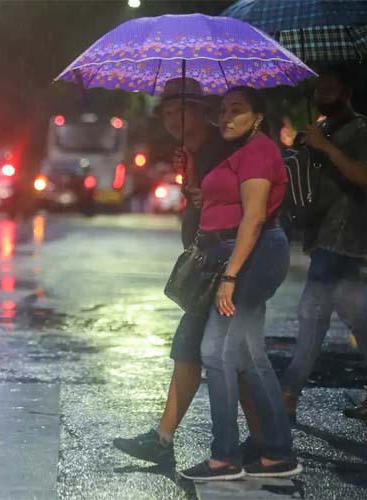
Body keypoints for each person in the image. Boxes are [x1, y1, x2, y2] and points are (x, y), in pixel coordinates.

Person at [113, 78, 262, 465]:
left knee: (204, 349)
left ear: (200, 110)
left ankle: (181, 442)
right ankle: (264, 438)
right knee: (219, 353)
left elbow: (239, 205)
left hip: (225, 261)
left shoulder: (223, 146)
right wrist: (190, 178)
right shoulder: (194, 150)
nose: (171, 119)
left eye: (180, 111)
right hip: (209, 258)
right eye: (165, 113)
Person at [179, 86, 301, 480]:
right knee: (248, 353)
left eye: (238, 110)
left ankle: (225, 457)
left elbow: (252, 219)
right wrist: (194, 175)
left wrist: (230, 275)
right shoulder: (232, 151)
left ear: (258, 117)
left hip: (254, 254)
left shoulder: (260, 151)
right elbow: (217, 202)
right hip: (237, 253)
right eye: (223, 110)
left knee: (215, 350)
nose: (227, 117)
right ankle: (277, 452)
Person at [281, 67, 367, 420]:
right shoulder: (323, 128)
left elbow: (364, 176)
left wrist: (325, 147)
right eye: (319, 88)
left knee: (311, 314)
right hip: (324, 234)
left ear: (346, 91)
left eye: (330, 88)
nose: (322, 93)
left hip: (342, 233)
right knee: (357, 314)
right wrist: (307, 147)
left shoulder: (361, 128)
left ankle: (287, 394)